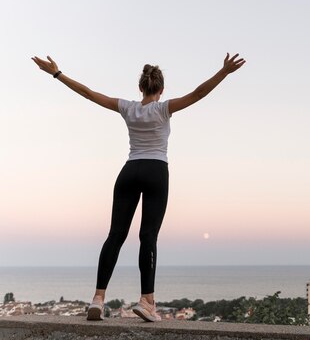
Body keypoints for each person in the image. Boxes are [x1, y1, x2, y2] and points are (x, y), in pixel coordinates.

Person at [32, 53, 246, 322]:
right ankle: (147, 301)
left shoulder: (127, 108)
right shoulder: (164, 109)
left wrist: (57, 73)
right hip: (156, 171)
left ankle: (98, 298)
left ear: (141, 88)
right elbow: (199, 93)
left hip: (129, 171)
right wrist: (223, 72)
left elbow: (88, 93)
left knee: (115, 235)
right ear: (161, 89)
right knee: (148, 236)